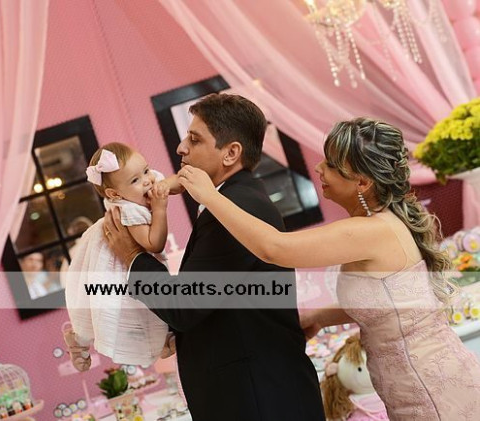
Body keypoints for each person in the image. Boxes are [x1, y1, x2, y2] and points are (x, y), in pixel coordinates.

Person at [177, 117, 480, 420]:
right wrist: (320, 317)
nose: (319, 168)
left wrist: (210, 196)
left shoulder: (370, 231)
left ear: (362, 182)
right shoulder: (377, 225)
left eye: (332, 165)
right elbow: (391, 305)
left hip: (431, 387)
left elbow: (274, 249)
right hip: (411, 385)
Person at [104, 94, 325, 421]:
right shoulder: (236, 199)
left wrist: (132, 255)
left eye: (194, 139)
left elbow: (184, 304)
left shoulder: (236, 208)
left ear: (231, 153)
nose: (181, 147)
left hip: (259, 399)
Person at [63, 142, 176, 371]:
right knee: (124, 311)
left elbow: (165, 180)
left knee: (146, 304)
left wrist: (169, 184)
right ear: (115, 194)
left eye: (146, 170)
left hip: (132, 268)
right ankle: (79, 341)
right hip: (118, 272)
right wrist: (160, 209)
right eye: (135, 180)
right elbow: (155, 243)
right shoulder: (128, 211)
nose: (147, 181)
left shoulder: (143, 187)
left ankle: (162, 339)